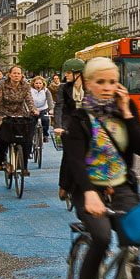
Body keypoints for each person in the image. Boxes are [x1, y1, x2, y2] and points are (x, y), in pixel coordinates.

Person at [62, 57, 140, 279]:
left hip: (121, 186)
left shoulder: (124, 108)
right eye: (100, 82)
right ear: (88, 84)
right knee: (100, 237)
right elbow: (75, 160)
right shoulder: (78, 118)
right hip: (88, 188)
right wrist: (88, 193)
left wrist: (127, 113)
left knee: (136, 236)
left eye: (112, 81)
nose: (107, 87)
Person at [0, 65, 39, 174]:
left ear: (22, 76)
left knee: (26, 138)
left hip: (19, 112)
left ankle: (24, 166)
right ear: (9, 75)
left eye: (18, 73)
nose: (16, 75)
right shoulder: (2, 84)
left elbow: (29, 100)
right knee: (2, 136)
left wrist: (33, 110)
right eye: (14, 73)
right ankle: (0, 161)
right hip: (3, 112)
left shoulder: (25, 86)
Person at [53, 59, 86, 198]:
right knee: (69, 154)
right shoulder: (64, 88)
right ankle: (64, 186)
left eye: (68, 73)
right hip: (70, 123)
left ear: (77, 73)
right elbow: (59, 107)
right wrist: (59, 126)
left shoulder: (91, 87)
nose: (65, 75)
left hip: (88, 123)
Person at [30, 76, 54, 141]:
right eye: (36, 83)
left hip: (43, 108)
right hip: (32, 109)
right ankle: (30, 135)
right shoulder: (30, 91)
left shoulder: (46, 90)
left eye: (40, 83)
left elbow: (50, 100)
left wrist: (51, 109)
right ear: (33, 84)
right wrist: (33, 109)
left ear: (43, 84)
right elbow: (29, 100)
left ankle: (45, 134)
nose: (38, 85)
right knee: (30, 122)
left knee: (45, 120)